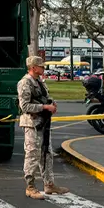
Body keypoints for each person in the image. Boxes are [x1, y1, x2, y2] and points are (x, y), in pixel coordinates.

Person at [18, 55, 69, 200]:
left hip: (43, 123)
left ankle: (49, 184)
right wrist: (44, 107)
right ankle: (30, 186)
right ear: (33, 67)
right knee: (32, 155)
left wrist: (51, 103)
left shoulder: (38, 81)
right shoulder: (25, 83)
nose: (43, 68)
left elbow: (44, 97)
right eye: (40, 66)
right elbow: (25, 106)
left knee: (46, 153)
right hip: (32, 124)